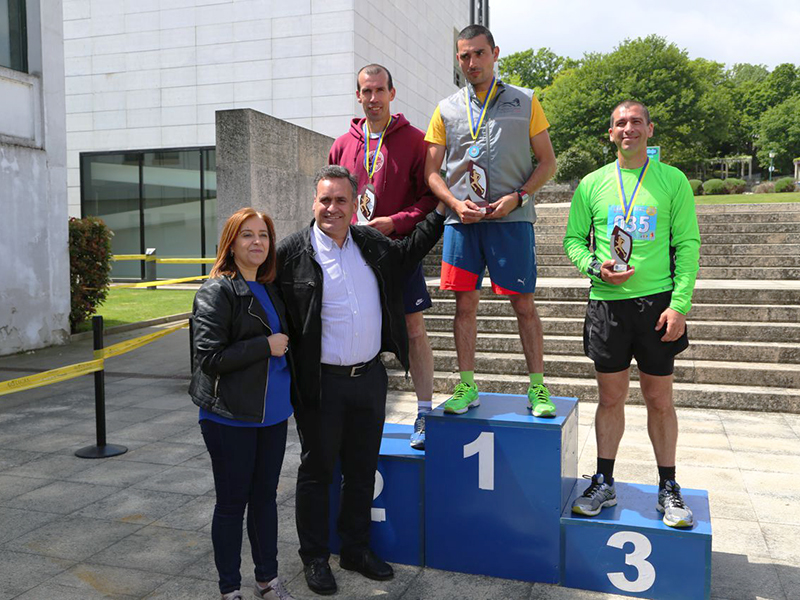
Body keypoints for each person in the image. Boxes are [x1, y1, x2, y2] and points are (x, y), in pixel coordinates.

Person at [276, 165, 445, 596]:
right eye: (324, 200)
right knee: (317, 472)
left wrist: (442, 209)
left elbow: (409, 251)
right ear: (313, 203)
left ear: (355, 206)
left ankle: (355, 548)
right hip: (321, 385)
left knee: (361, 470)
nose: (331, 207)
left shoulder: (369, 242)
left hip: (369, 379)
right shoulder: (291, 253)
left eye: (340, 200)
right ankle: (314, 557)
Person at [563, 100, 701, 528]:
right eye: (620, 123)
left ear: (649, 129)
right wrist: (592, 267)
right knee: (611, 398)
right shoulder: (593, 184)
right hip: (607, 304)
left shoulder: (672, 181)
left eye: (636, 122)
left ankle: (668, 487)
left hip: (657, 306)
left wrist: (679, 305)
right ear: (611, 133)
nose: (628, 129)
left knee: (660, 400)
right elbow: (572, 240)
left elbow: (688, 245)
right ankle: (603, 480)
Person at [424, 24, 557, 418]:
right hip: (461, 223)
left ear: (495, 53)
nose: (471, 62)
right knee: (464, 305)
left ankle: (537, 388)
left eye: (479, 53)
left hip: (512, 220)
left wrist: (518, 197)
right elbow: (432, 173)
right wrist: (452, 204)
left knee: (524, 305)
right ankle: (467, 384)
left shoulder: (525, 101)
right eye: (464, 56)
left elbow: (547, 162)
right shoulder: (446, 108)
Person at [328, 63, 438, 450]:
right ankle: (355, 413)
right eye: (366, 91)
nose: (373, 98)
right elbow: (331, 197)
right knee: (354, 330)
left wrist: (397, 221)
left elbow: (429, 197)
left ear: (393, 93)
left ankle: (424, 413)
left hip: (395, 252)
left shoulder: (416, 140)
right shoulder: (343, 143)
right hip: (350, 253)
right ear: (358, 96)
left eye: (379, 90)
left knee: (413, 330)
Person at [189, 208, 296, 600]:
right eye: (247, 235)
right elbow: (209, 356)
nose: (257, 243)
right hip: (231, 417)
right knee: (233, 504)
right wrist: (263, 346)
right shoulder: (217, 290)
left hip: (273, 415)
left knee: (265, 500)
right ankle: (229, 588)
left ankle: (267, 579)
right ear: (231, 244)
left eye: (264, 235)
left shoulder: (270, 288)